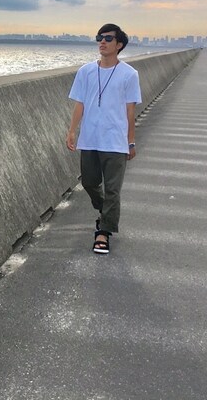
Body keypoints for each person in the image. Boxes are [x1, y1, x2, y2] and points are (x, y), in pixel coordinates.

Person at [65, 23, 142, 254]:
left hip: (115, 141)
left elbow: (130, 111)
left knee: (113, 190)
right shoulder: (86, 71)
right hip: (90, 139)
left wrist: (131, 141)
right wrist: (72, 131)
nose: (102, 42)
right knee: (89, 182)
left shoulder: (129, 74)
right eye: (100, 37)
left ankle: (104, 232)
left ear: (119, 45)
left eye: (108, 38)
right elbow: (80, 104)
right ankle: (105, 211)